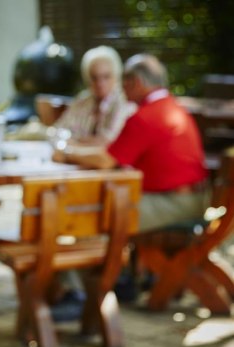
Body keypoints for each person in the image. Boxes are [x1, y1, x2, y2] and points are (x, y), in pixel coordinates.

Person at [53, 53, 209, 232]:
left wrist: (65, 153)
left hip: (175, 204)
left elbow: (106, 160)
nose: (122, 88)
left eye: (124, 82)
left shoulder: (146, 116)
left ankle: (98, 260)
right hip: (195, 199)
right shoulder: (173, 107)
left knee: (93, 213)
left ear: (135, 82)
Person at [54, 45, 135, 145]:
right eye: (94, 77)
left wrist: (73, 141)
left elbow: (109, 142)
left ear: (116, 75)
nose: (100, 83)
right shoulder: (82, 100)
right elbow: (57, 131)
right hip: (73, 158)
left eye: (106, 76)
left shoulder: (125, 102)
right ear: (87, 78)